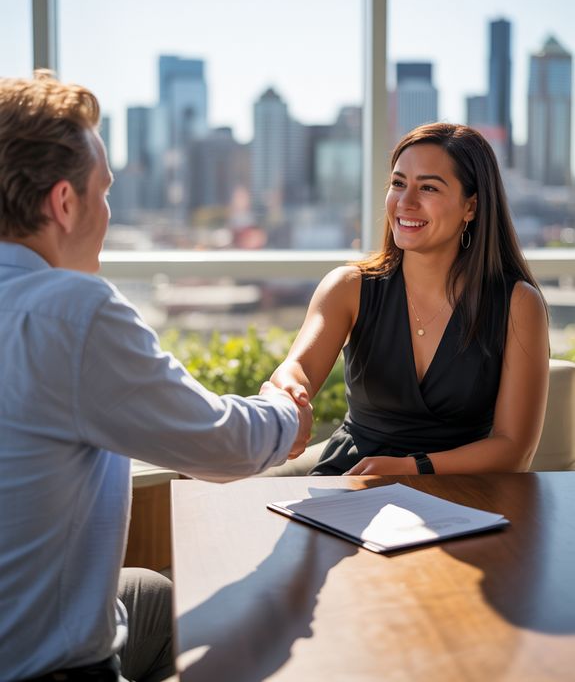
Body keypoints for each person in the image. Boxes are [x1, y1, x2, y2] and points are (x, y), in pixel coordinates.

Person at [0, 71, 312, 682]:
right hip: (42, 669)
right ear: (65, 203)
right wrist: (285, 412)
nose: (108, 212)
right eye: (104, 191)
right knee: (266, 625)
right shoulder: (72, 312)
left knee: (146, 590)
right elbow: (219, 443)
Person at [271, 122, 549, 477]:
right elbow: (298, 369)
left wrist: (413, 468)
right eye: (399, 184)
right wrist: (288, 393)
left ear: (471, 206)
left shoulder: (518, 303)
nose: (406, 202)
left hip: (463, 494)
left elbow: (515, 449)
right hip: (353, 483)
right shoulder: (348, 286)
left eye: (429, 187)